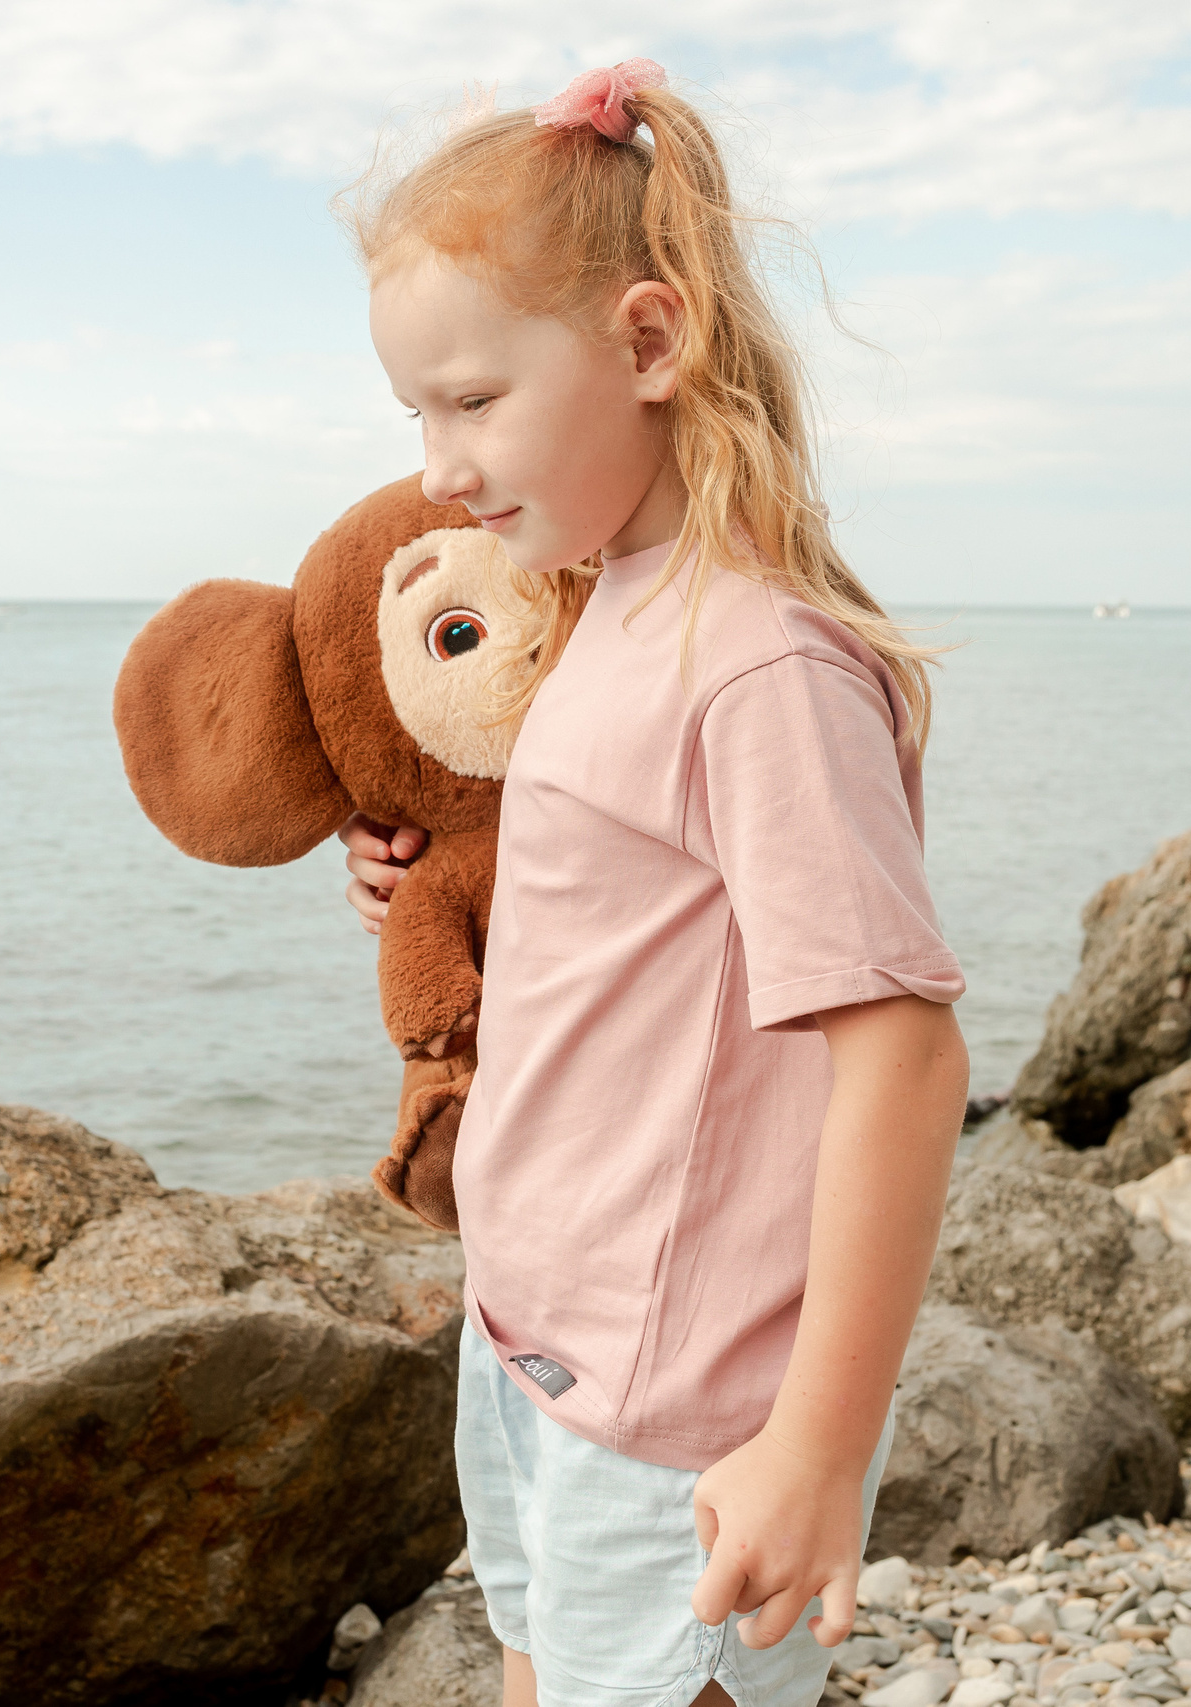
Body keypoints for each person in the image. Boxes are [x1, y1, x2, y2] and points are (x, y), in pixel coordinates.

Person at [340, 59, 971, 1707]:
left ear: (647, 344)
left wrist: (817, 1447)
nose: (439, 467)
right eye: (417, 415)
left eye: (472, 402)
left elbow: (905, 1058)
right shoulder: (605, 597)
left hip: (684, 1408)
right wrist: (439, 880)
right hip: (535, 1345)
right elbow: (633, 897)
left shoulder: (761, 668)